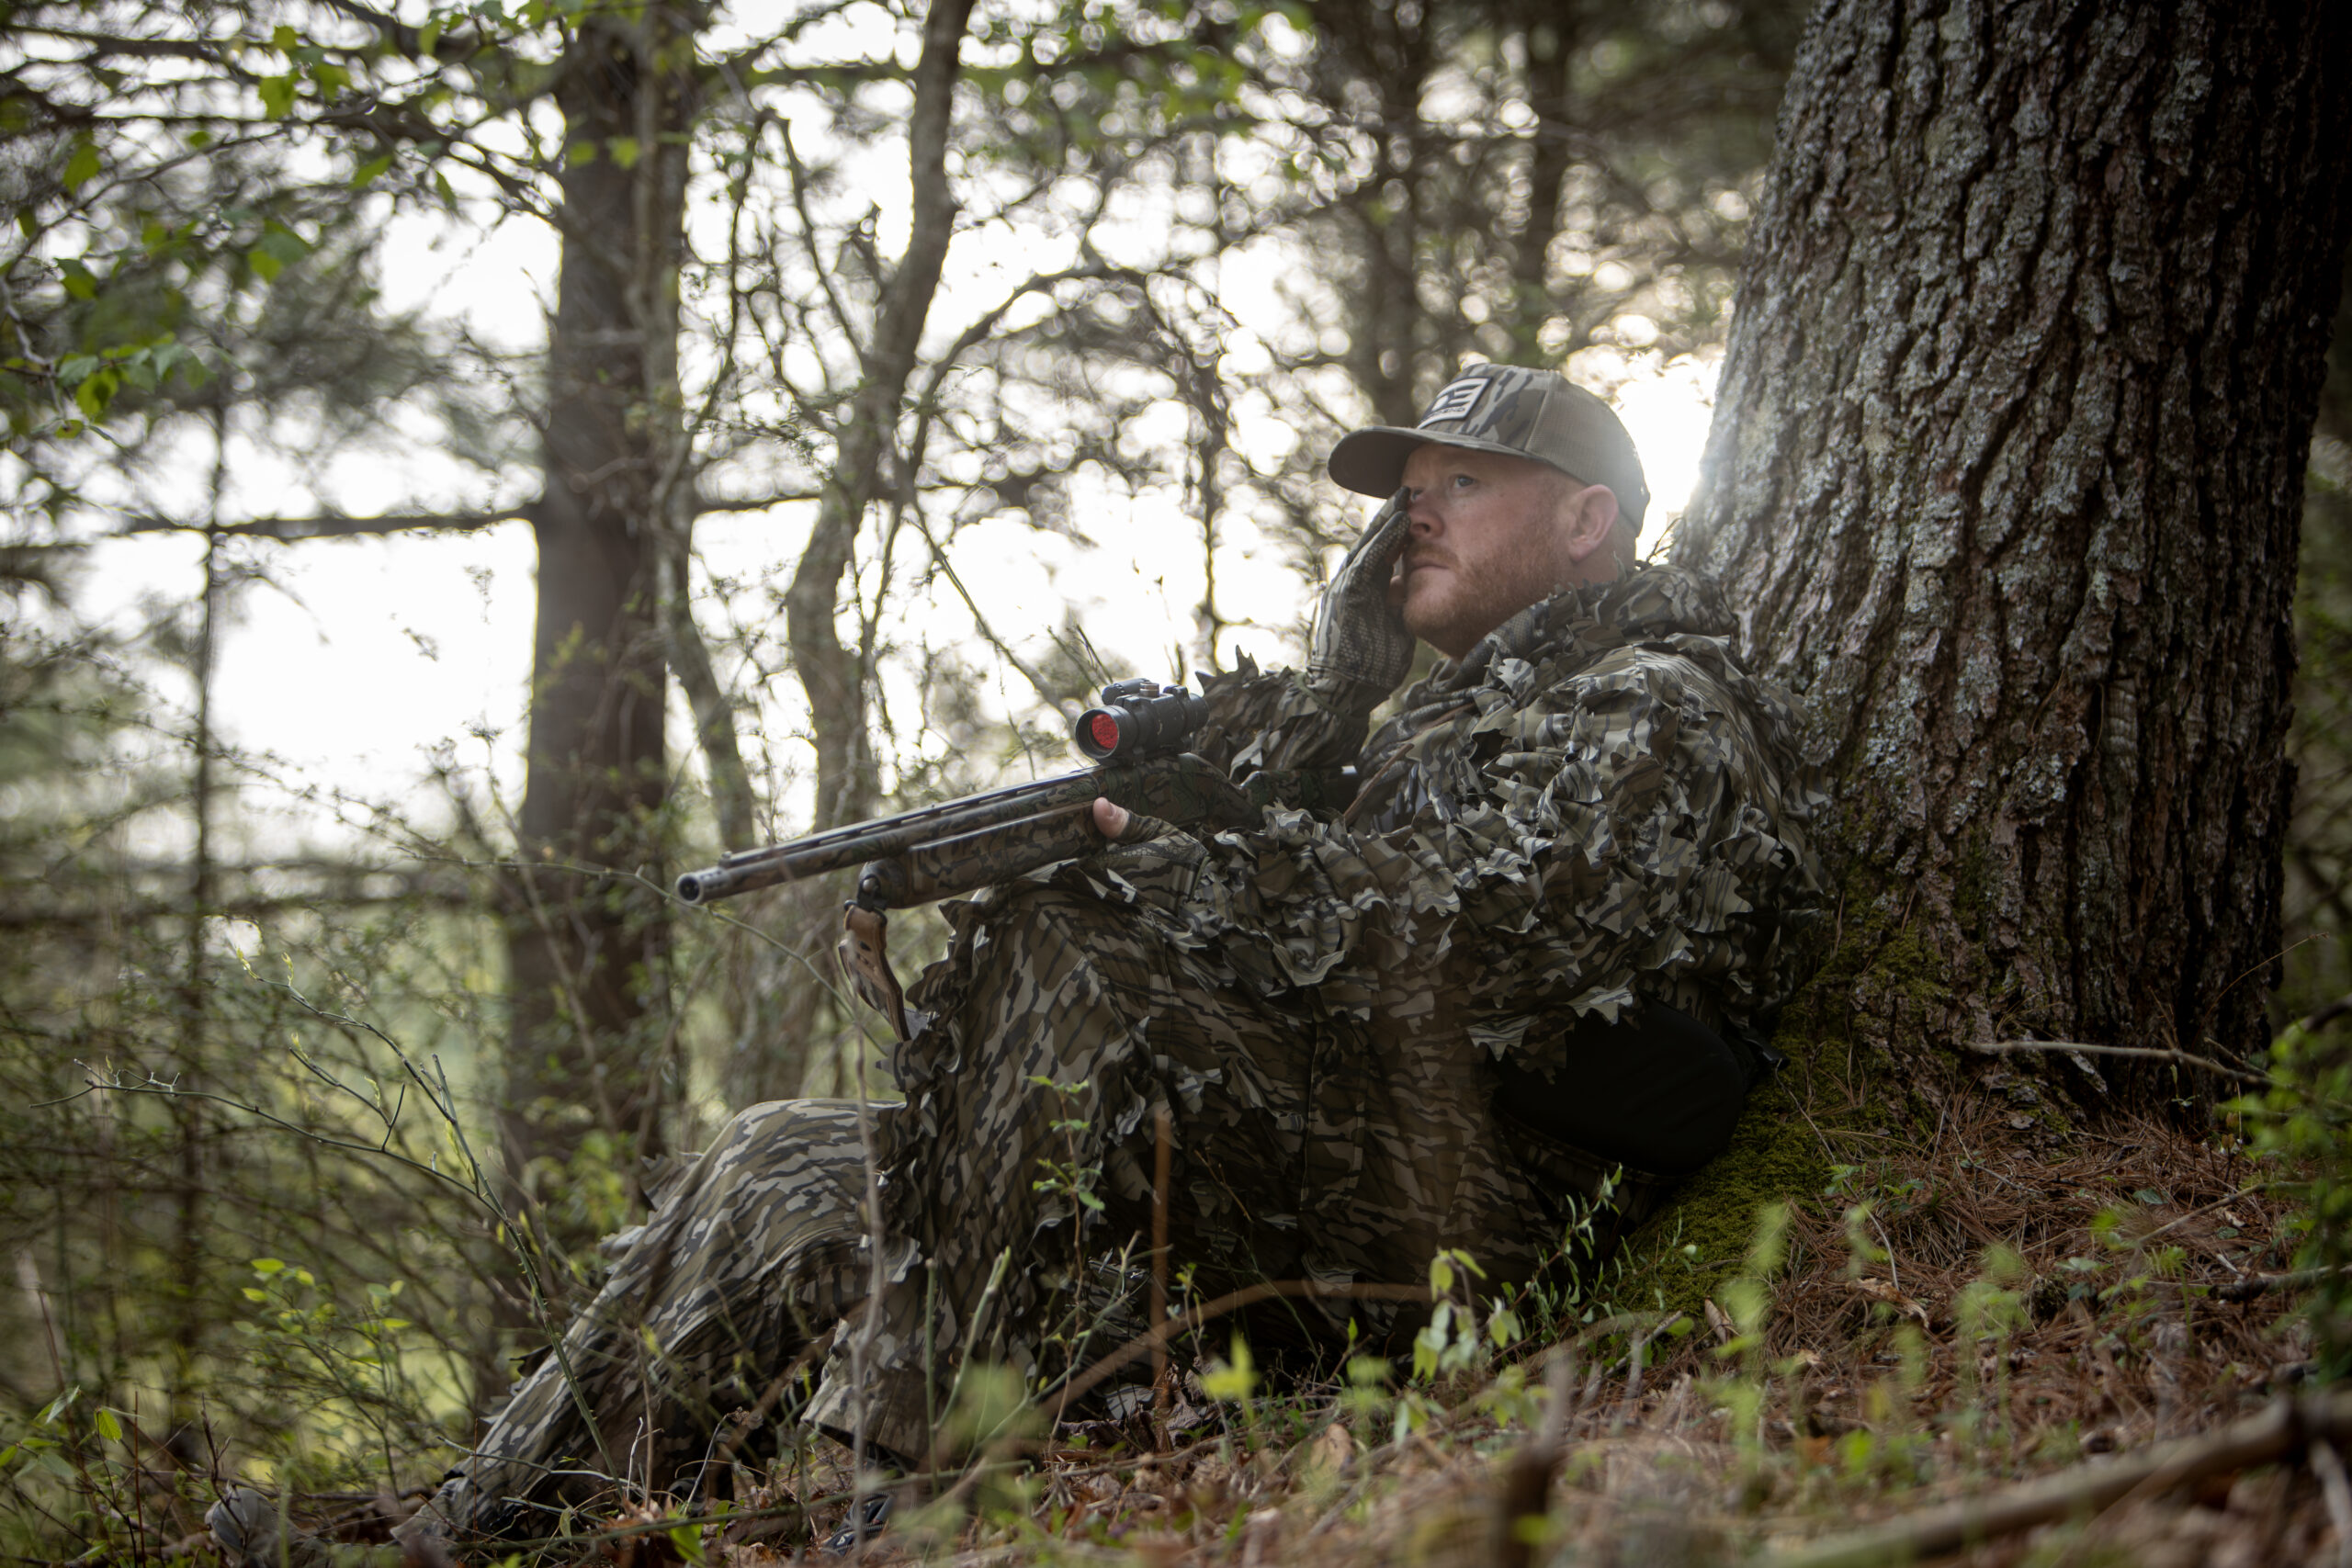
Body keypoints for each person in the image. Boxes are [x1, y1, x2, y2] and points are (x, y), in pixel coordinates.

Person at [212, 363, 1822, 1561]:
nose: (1414, 505)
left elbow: (1461, 943)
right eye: (1409, 483)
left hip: (1473, 1228)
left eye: (1464, 480)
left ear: (1590, 519)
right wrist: (1331, 683)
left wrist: (1187, 849)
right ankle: (457, 1543)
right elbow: (1292, 854)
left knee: (1060, 936)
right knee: (781, 1163)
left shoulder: (1652, 711)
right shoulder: (1425, 720)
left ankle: (908, 1519)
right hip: (1293, 1164)